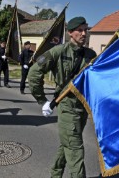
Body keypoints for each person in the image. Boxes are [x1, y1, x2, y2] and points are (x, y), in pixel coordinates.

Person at [28, 16, 97, 178]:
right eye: (79, 30)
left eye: (86, 29)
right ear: (70, 33)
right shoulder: (58, 52)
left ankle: (55, 174)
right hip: (67, 107)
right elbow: (34, 73)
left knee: (67, 143)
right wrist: (42, 100)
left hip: (82, 108)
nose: (84, 33)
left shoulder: (91, 54)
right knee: (75, 150)